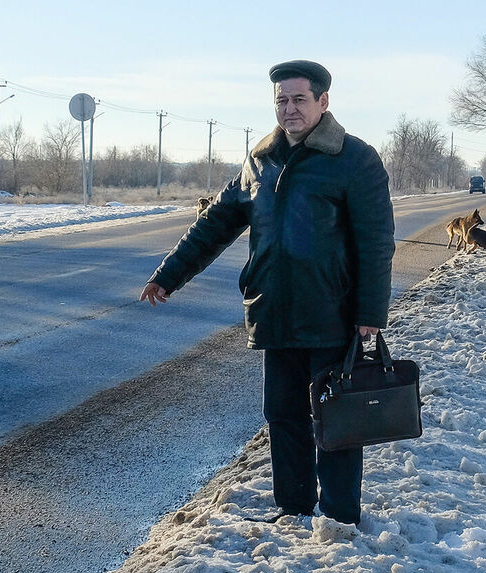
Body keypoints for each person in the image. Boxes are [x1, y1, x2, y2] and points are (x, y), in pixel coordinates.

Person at [139, 59, 395, 526]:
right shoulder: (261, 159)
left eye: (299, 99)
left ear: (323, 101)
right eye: (282, 100)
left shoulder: (355, 159)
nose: (289, 109)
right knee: (283, 417)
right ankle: (293, 508)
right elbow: (216, 222)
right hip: (273, 311)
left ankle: (339, 518)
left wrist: (370, 311)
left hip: (331, 313)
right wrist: (169, 275)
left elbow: (376, 242)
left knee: (334, 418)